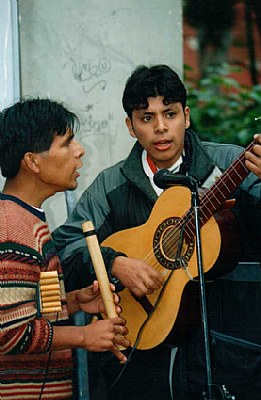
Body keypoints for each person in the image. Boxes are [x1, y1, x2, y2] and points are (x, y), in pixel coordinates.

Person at [53, 65, 261, 400]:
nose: (161, 128)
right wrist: (114, 262)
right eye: (146, 117)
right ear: (131, 126)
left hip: (229, 349)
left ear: (187, 116)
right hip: (146, 358)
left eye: (170, 113)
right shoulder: (111, 184)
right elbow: (65, 245)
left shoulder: (232, 163)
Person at [0, 98, 130, 400]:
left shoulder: (27, 220)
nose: (79, 151)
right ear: (32, 162)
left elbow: (29, 311)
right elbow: (8, 333)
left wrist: (74, 302)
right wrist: (84, 335)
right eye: (67, 143)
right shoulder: (10, 228)